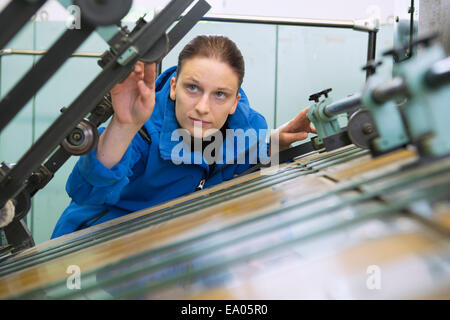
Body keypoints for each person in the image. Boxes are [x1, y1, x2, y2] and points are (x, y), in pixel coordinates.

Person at [51, 35, 316, 238]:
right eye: (192, 88)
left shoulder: (246, 128)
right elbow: (86, 192)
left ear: (235, 102)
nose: (203, 106)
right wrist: (123, 126)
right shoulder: (142, 129)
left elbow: (237, 157)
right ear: (175, 86)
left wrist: (274, 142)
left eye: (219, 94)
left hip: (170, 242)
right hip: (95, 245)